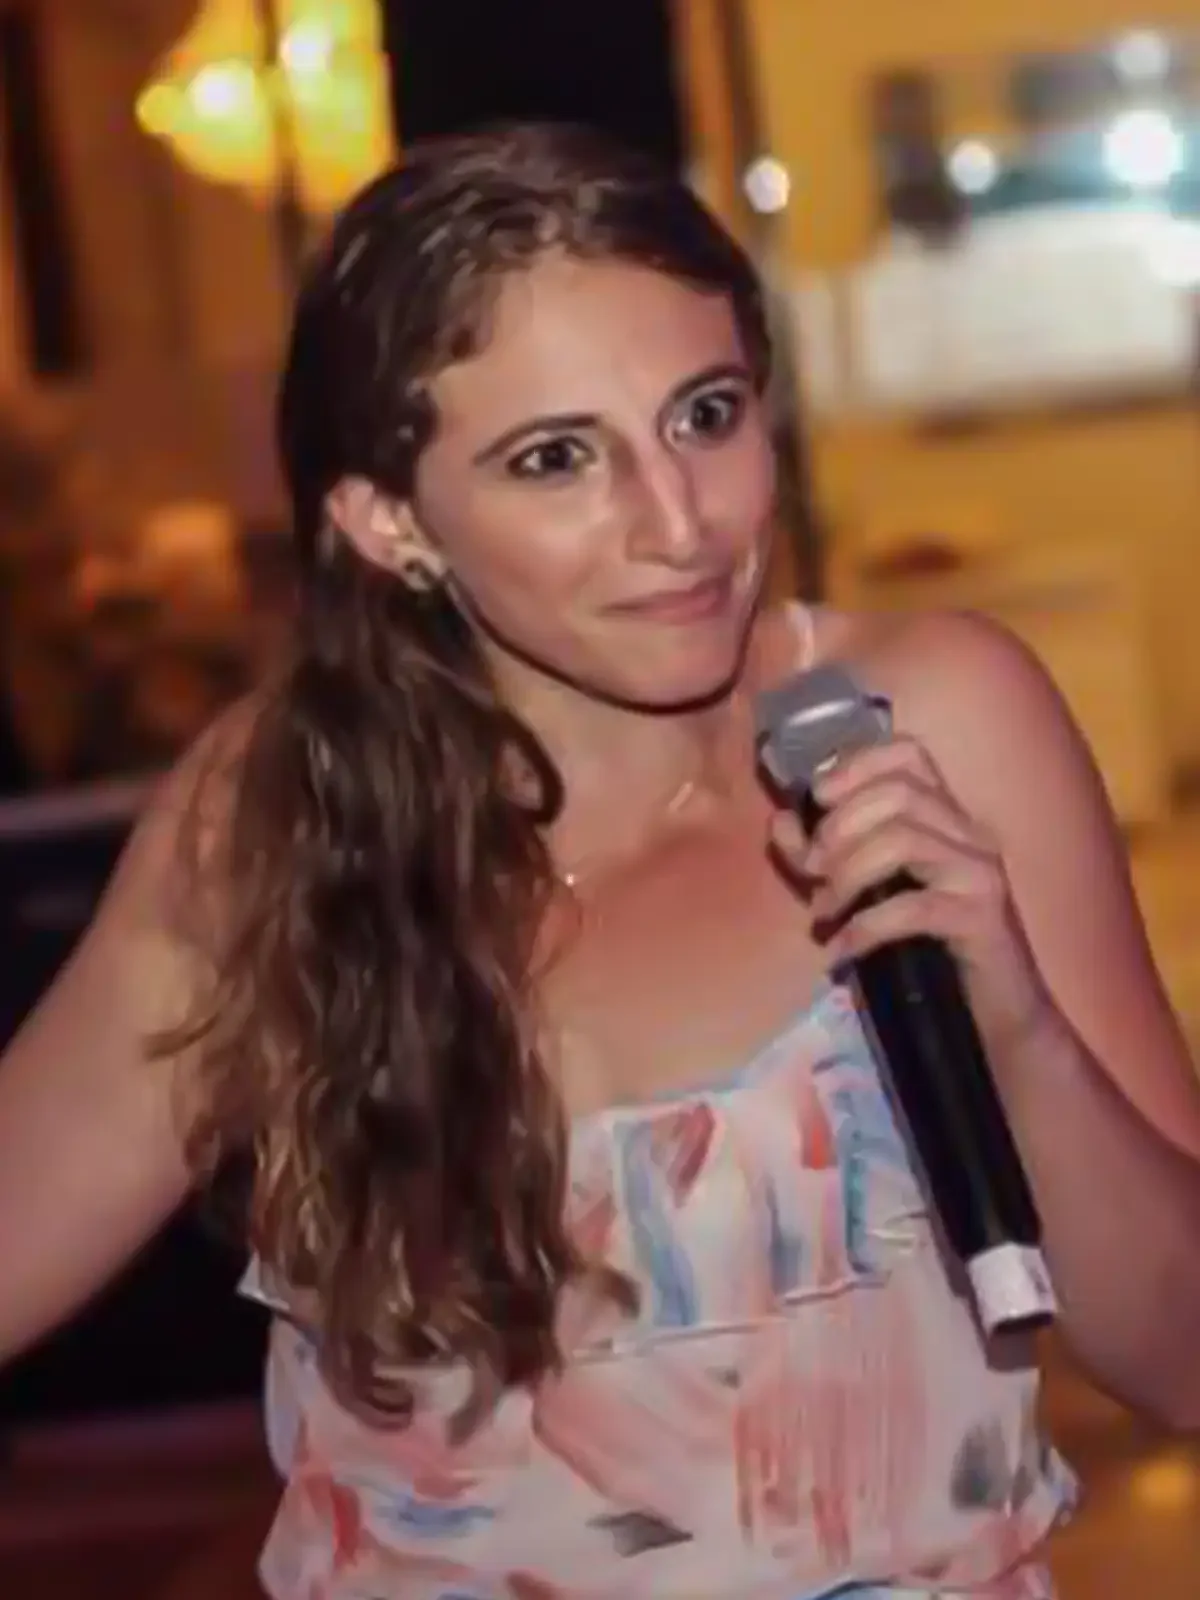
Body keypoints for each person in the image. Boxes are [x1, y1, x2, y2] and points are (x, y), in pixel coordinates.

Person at [2, 122, 1200, 1600]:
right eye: (557, 459)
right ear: (390, 524)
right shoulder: (285, 813)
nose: (681, 525)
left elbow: (1183, 1359)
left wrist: (1019, 1029)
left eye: (705, 416)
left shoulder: (932, 720)